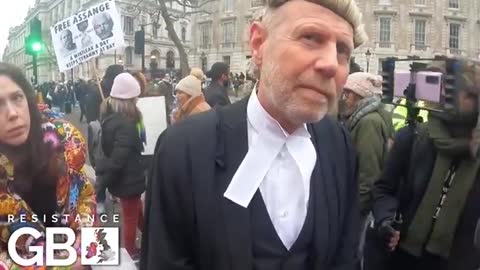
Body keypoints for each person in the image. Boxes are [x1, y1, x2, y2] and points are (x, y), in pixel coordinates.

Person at [141, 0, 367, 269]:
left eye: (343, 51)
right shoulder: (182, 149)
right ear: (258, 43)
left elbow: (346, 258)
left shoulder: (339, 145)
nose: (331, 64)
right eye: (310, 37)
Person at [365, 61, 480, 270]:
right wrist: (386, 219)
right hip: (405, 257)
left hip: (459, 261)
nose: (449, 97)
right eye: (447, 89)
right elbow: (383, 189)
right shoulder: (414, 137)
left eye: (466, 94)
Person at [0, 62, 95, 269]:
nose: (12, 113)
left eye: (17, 98)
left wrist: (85, 248)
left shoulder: (65, 143)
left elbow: (85, 197)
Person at [339, 72, 394, 258]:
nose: (344, 98)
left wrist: (356, 211)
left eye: (348, 94)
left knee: (354, 253)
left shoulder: (368, 123)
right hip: (358, 202)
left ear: (360, 97)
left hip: (361, 206)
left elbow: (369, 173)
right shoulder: (360, 119)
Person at [95, 73, 146, 258]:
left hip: (126, 178)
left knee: (136, 213)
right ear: (127, 100)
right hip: (128, 178)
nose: (136, 101)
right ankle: (130, 253)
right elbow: (118, 159)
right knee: (131, 218)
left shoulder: (112, 117)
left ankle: (150, 238)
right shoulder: (125, 124)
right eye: (134, 98)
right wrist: (102, 183)